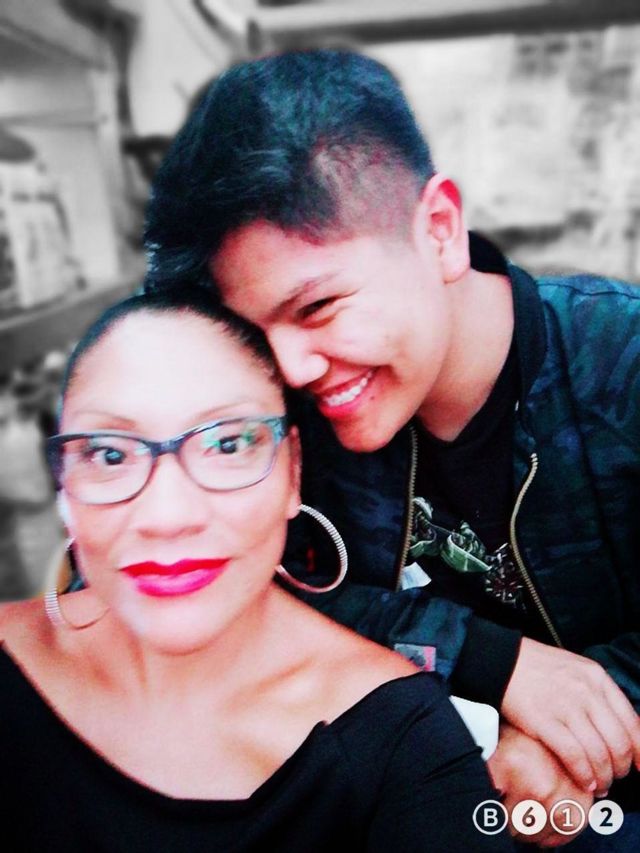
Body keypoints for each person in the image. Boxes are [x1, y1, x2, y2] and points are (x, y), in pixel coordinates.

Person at [144, 49, 640, 844]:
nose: (292, 368)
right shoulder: (287, 417)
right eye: (256, 332)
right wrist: (491, 659)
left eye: (318, 307)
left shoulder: (620, 359)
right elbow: (248, 590)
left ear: (439, 231)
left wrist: (573, 734)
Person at [0, 288, 512, 852]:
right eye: (110, 454)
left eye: (228, 444)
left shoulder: (402, 742)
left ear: (293, 472)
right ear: (63, 486)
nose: (168, 517)